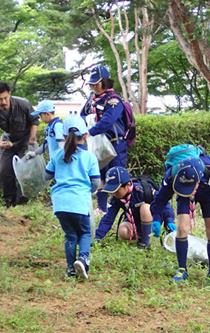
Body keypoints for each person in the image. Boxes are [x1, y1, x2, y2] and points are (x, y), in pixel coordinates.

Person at [150, 154, 210, 288]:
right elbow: (160, 199)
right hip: (184, 195)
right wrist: (156, 219)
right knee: (182, 227)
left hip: (208, 191)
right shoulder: (171, 176)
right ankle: (182, 270)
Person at [44, 115, 101, 280]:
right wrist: (89, 190)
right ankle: (83, 259)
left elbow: (47, 176)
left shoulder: (57, 155)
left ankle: (70, 269)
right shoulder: (89, 157)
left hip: (60, 203)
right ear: (85, 136)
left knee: (70, 235)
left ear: (63, 136)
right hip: (79, 201)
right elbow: (96, 181)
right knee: (85, 233)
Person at [80, 65, 129, 215]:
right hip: (98, 144)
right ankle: (101, 208)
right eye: (92, 84)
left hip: (115, 144)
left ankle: (124, 206)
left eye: (97, 83)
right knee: (99, 173)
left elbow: (108, 121)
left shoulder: (114, 100)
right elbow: (82, 115)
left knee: (117, 175)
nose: (94, 87)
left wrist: (89, 132)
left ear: (105, 82)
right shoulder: (91, 99)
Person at [0, 81, 39, 207]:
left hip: (25, 140)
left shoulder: (23, 103)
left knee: (24, 170)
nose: (3, 102)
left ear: (9, 94)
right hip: (7, 141)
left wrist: (32, 137)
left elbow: (34, 121)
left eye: (5, 98)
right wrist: (1, 144)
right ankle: (9, 200)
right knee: (4, 171)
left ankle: (22, 200)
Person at [95, 166, 176, 249]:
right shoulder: (117, 198)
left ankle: (145, 242)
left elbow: (163, 203)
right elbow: (108, 218)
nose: (113, 194)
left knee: (145, 207)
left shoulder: (142, 190)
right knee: (122, 231)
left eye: (116, 190)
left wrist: (169, 220)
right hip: (133, 221)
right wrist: (97, 236)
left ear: (128, 184)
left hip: (151, 219)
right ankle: (140, 234)